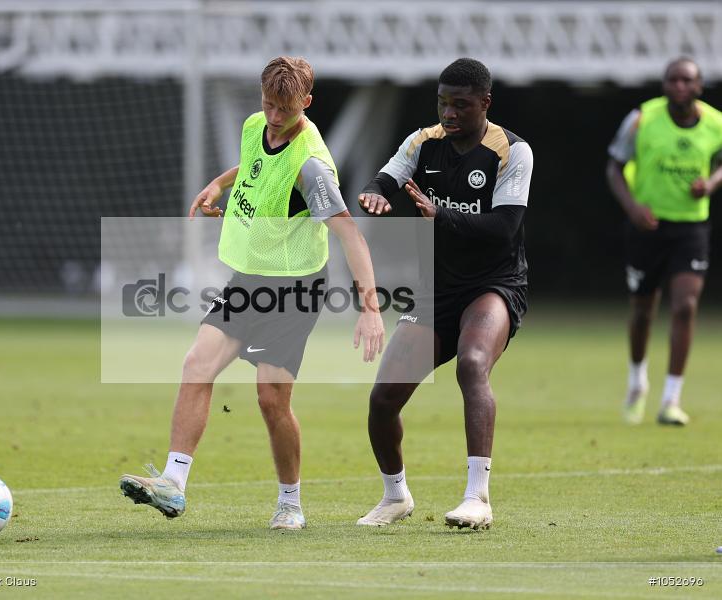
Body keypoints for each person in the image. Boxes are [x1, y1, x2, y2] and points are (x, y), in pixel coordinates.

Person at [120, 56, 385, 530]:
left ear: (306, 101)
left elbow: (351, 236)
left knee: (270, 399)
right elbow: (253, 163)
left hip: (295, 291)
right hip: (249, 281)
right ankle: (174, 485)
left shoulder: (313, 168)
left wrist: (370, 308)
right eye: (268, 104)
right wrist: (217, 185)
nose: (275, 116)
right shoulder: (255, 123)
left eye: (285, 108)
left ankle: (290, 503)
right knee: (196, 365)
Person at [356, 58, 533, 529]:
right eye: (442, 103)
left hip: (494, 285)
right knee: (382, 400)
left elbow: (504, 227)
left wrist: (443, 216)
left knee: (473, 363)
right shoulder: (423, 142)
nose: (449, 113)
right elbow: (388, 177)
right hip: (435, 291)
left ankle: (478, 497)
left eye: (460, 104)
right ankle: (396, 497)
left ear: (484, 104)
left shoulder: (512, 151)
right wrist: (376, 193)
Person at [607, 57, 722, 427]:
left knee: (686, 306)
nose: (679, 86)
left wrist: (712, 182)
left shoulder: (716, 123)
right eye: (672, 79)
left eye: (687, 80)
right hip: (647, 228)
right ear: (664, 85)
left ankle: (671, 398)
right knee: (643, 311)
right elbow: (614, 166)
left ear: (699, 85)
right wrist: (632, 207)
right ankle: (637, 381)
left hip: (691, 228)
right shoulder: (642, 119)